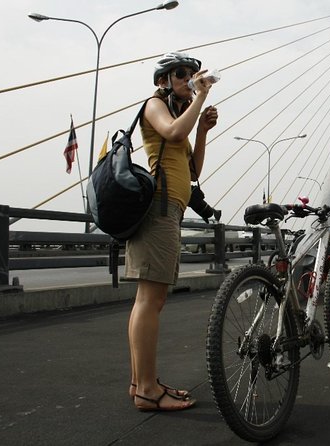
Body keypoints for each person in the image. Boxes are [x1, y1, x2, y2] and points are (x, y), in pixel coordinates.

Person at [126, 52, 219, 411]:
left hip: (172, 209)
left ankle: (141, 383)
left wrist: (203, 131)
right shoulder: (153, 105)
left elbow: (194, 169)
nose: (190, 78)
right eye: (182, 74)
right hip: (159, 208)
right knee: (151, 300)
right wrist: (202, 96)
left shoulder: (179, 112)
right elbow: (172, 131)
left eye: (193, 74)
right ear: (162, 80)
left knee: (149, 301)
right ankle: (147, 390)